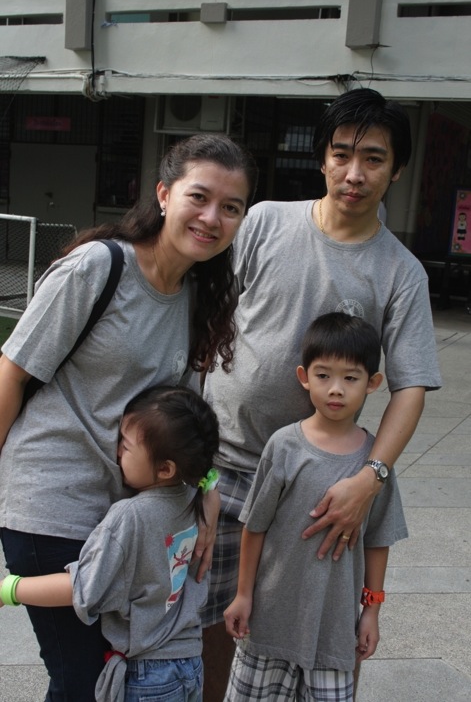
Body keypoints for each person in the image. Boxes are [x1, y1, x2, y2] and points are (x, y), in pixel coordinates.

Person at [200, 88, 441, 700]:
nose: (354, 173)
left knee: (328, 628)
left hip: (324, 487)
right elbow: (210, 312)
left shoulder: (401, 271)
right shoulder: (264, 221)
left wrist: (370, 478)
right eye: (341, 154)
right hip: (223, 463)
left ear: (397, 169)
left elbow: (410, 387)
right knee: (210, 619)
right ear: (323, 158)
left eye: (374, 159)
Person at [0, 134, 258, 701]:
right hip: (51, 502)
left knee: (113, 674)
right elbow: (11, 373)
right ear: (164, 194)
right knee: (83, 678)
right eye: (199, 197)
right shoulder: (99, 267)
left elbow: (183, 417)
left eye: (231, 207)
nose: (212, 218)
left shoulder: (196, 293)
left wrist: (207, 488)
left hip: (124, 515)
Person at [223, 313, 408, 701]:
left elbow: (378, 541)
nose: (335, 389)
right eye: (323, 375)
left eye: (351, 378)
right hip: (268, 625)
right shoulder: (284, 447)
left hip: (334, 631)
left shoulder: (375, 465)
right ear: (304, 377)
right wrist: (243, 594)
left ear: (373, 383)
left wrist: (371, 611)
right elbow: (254, 526)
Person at [0, 385, 220, 702]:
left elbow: (84, 588)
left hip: (148, 676)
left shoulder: (129, 517)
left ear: (165, 468)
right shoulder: (196, 498)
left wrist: (9, 589)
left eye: (125, 447)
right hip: (190, 662)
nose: (116, 452)